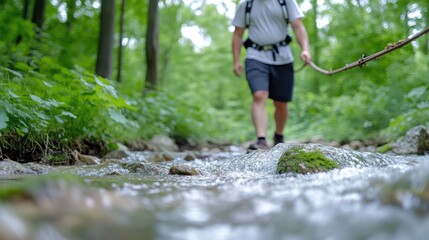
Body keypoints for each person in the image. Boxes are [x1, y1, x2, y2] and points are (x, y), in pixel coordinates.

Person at [231, 0, 311, 150]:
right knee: (259, 94)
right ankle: (261, 140)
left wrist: (305, 49)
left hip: (283, 57)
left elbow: (298, 27)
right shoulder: (245, 5)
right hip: (255, 56)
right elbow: (237, 34)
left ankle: (278, 136)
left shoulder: (286, 2)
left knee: (281, 103)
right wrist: (236, 60)